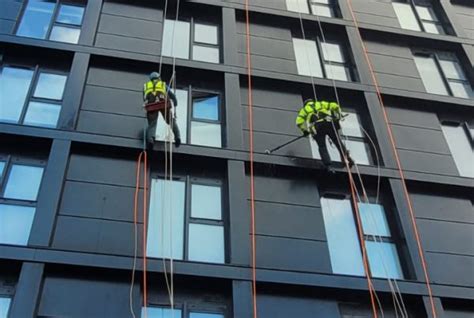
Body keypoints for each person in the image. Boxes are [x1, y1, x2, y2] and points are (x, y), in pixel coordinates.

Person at [296, 99, 354, 170]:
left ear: (305, 104)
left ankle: (328, 165)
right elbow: (335, 106)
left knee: (322, 146)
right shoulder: (320, 104)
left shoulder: (304, 110)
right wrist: (339, 115)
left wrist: (304, 130)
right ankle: (346, 157)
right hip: (329, 124)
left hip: (317, 128)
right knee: (338, 142)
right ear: (312, 101)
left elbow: (299, 122)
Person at [143, 72, 181, 147]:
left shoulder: (146, 86)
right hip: (163, 103)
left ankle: (150, 140)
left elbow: (144, 98)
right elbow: (172, 95)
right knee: (170, 120)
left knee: (152, 124)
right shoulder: (162, 84)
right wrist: (175, 102)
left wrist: (146, 107)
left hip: (151, 106)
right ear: (158, 77)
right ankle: (178, 137)